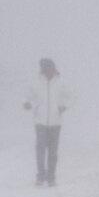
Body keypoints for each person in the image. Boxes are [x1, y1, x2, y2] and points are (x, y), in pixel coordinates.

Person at [23, 58, 71, 187]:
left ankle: (51, 178)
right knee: (40, 149)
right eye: (45, 69)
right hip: (40, 121)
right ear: (42, 70)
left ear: (53, 68)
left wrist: (63, 106)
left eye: (49, 68)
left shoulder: (61, 82)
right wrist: (28, 104)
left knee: (53, 151)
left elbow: (70, 97)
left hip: (56, 122)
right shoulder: (36, 82)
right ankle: (40, 176)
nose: (47, 71)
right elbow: (29, 97)